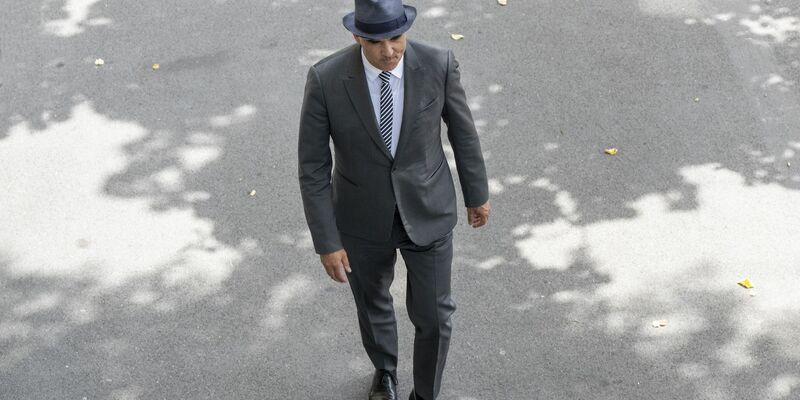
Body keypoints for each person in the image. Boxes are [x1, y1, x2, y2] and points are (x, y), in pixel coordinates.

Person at [298, 0, 491, 398]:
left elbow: (463, 132)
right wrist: (327, 241)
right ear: (356, 36)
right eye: (376, 42)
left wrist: (477, 194)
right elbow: (313, 168)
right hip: (360, 219)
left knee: (436, 317)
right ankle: (385, 371)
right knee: (371, 304)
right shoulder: (325, 79)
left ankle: (425, 394)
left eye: (397, 38)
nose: (389, 51)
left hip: (429, 208)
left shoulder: (439, 64)